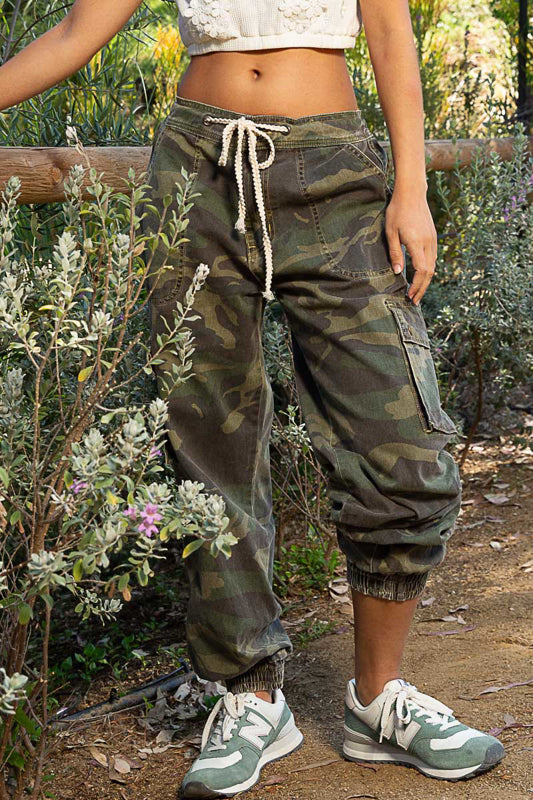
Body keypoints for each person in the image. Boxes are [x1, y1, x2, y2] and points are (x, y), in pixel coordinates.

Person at [0, 1, 506, 797]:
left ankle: (378, 698)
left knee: (400, 442)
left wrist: (410, 188)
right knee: (208, 440)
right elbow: (73, 34)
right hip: (195, 171)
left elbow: (389, 34)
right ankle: (249, 696)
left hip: (334, 172)